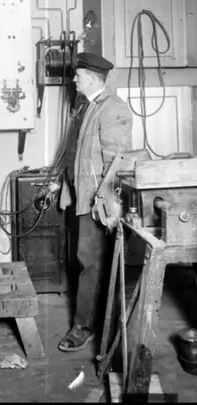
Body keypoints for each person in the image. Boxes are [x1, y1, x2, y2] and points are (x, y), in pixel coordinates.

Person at [49, 52, 133, 352]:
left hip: (97, 201)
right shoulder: (85, 105)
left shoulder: (113, 109)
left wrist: (103, 200)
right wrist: (58, 180)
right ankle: (95, 321)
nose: (74, 80)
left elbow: (116, 160)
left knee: (91, 263)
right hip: (79, 196)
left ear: (94, 79)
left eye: (79, 76)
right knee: (85, 261)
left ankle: (84, 327)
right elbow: (73, 150)